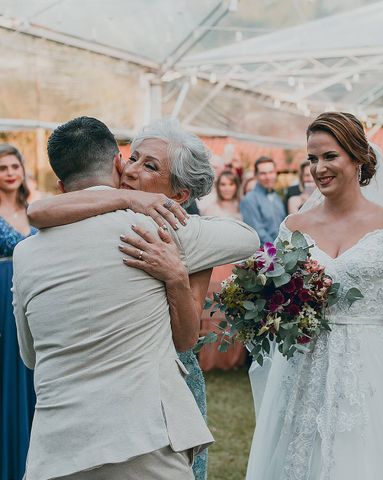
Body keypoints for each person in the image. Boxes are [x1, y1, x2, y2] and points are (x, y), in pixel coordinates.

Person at [16, 117, 259, 479]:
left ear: (179, 195)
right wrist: (128, 198)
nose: (132, 171)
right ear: (117, 161)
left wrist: (176, 274)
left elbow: (31, 355)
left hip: (61, 449)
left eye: (149, 166)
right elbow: (247, 237)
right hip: (144, 438)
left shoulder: (27, 253)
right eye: (134, 159)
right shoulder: (157, 229)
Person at [246, 112, 383, 479]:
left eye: (330, 156)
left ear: (357, 157)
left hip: (372, 370)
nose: (319, 168)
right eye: (312, 159)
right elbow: (278, 297)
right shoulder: (293, 227)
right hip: (307, 367)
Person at [0, 144, 37, 480]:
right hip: (0, 295)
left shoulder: (35, 207)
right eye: (2, 168)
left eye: (15, 166)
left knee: (34, 367)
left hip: (33, 292)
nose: (10, 172)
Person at [198, 170, 247, 371]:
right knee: (214, 309)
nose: (227, 188)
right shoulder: (210, 208)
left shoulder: (242, 207)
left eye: (231, 184)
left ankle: (233, 359)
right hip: (218, 263)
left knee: (235, 310)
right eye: (223, 184)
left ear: (236, 186)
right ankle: (212, 358)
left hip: (237, 263)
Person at [240, 156, 286, 245]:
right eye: (263, 173)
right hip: (265, 252)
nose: (268, 177)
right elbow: (258, 232)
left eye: (271, 172)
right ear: (256, 175)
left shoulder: (277, 197)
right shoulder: (249, 199)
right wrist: (278, 249)